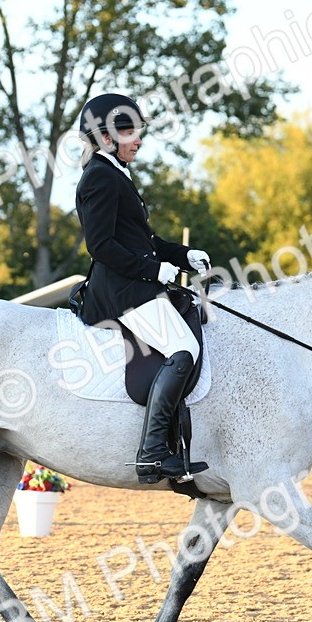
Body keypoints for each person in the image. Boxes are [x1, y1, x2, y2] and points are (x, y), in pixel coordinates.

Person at [75, 93, 212, 483]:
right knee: (183, 349)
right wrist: (156, 271)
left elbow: (143, 241)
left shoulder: (116, 173)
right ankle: (152, 452)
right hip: (121, 291)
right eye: (131, 132)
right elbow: (101, 247)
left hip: (134, 282)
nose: (139, 140)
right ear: (105, 137)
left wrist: (184, 256)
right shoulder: (100, 176)